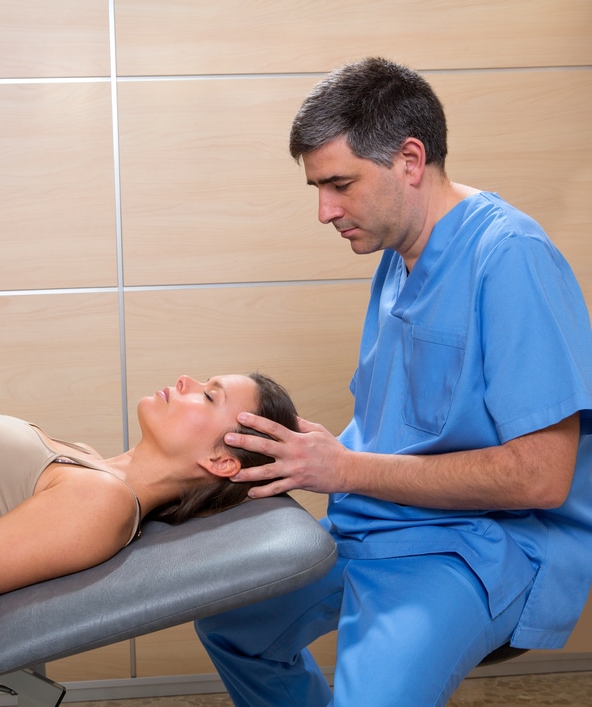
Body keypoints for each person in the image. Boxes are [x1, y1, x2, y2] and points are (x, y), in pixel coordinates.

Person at [195, 57, 592, 706]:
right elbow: (405, 422)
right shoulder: (398, 257)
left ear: (410, 160)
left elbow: (541, 476)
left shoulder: (510, 256)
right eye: (317, 188)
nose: (325, 210)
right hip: (380, 520)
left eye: (339, 184)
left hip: (478, 545)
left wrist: (345, 469)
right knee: (234, 623)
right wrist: (300, 457)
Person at [0, 371, 297, 608]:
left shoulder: (101, 504)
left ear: (221, 461)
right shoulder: (92, 463)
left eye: (209, 395)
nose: (185, 380)